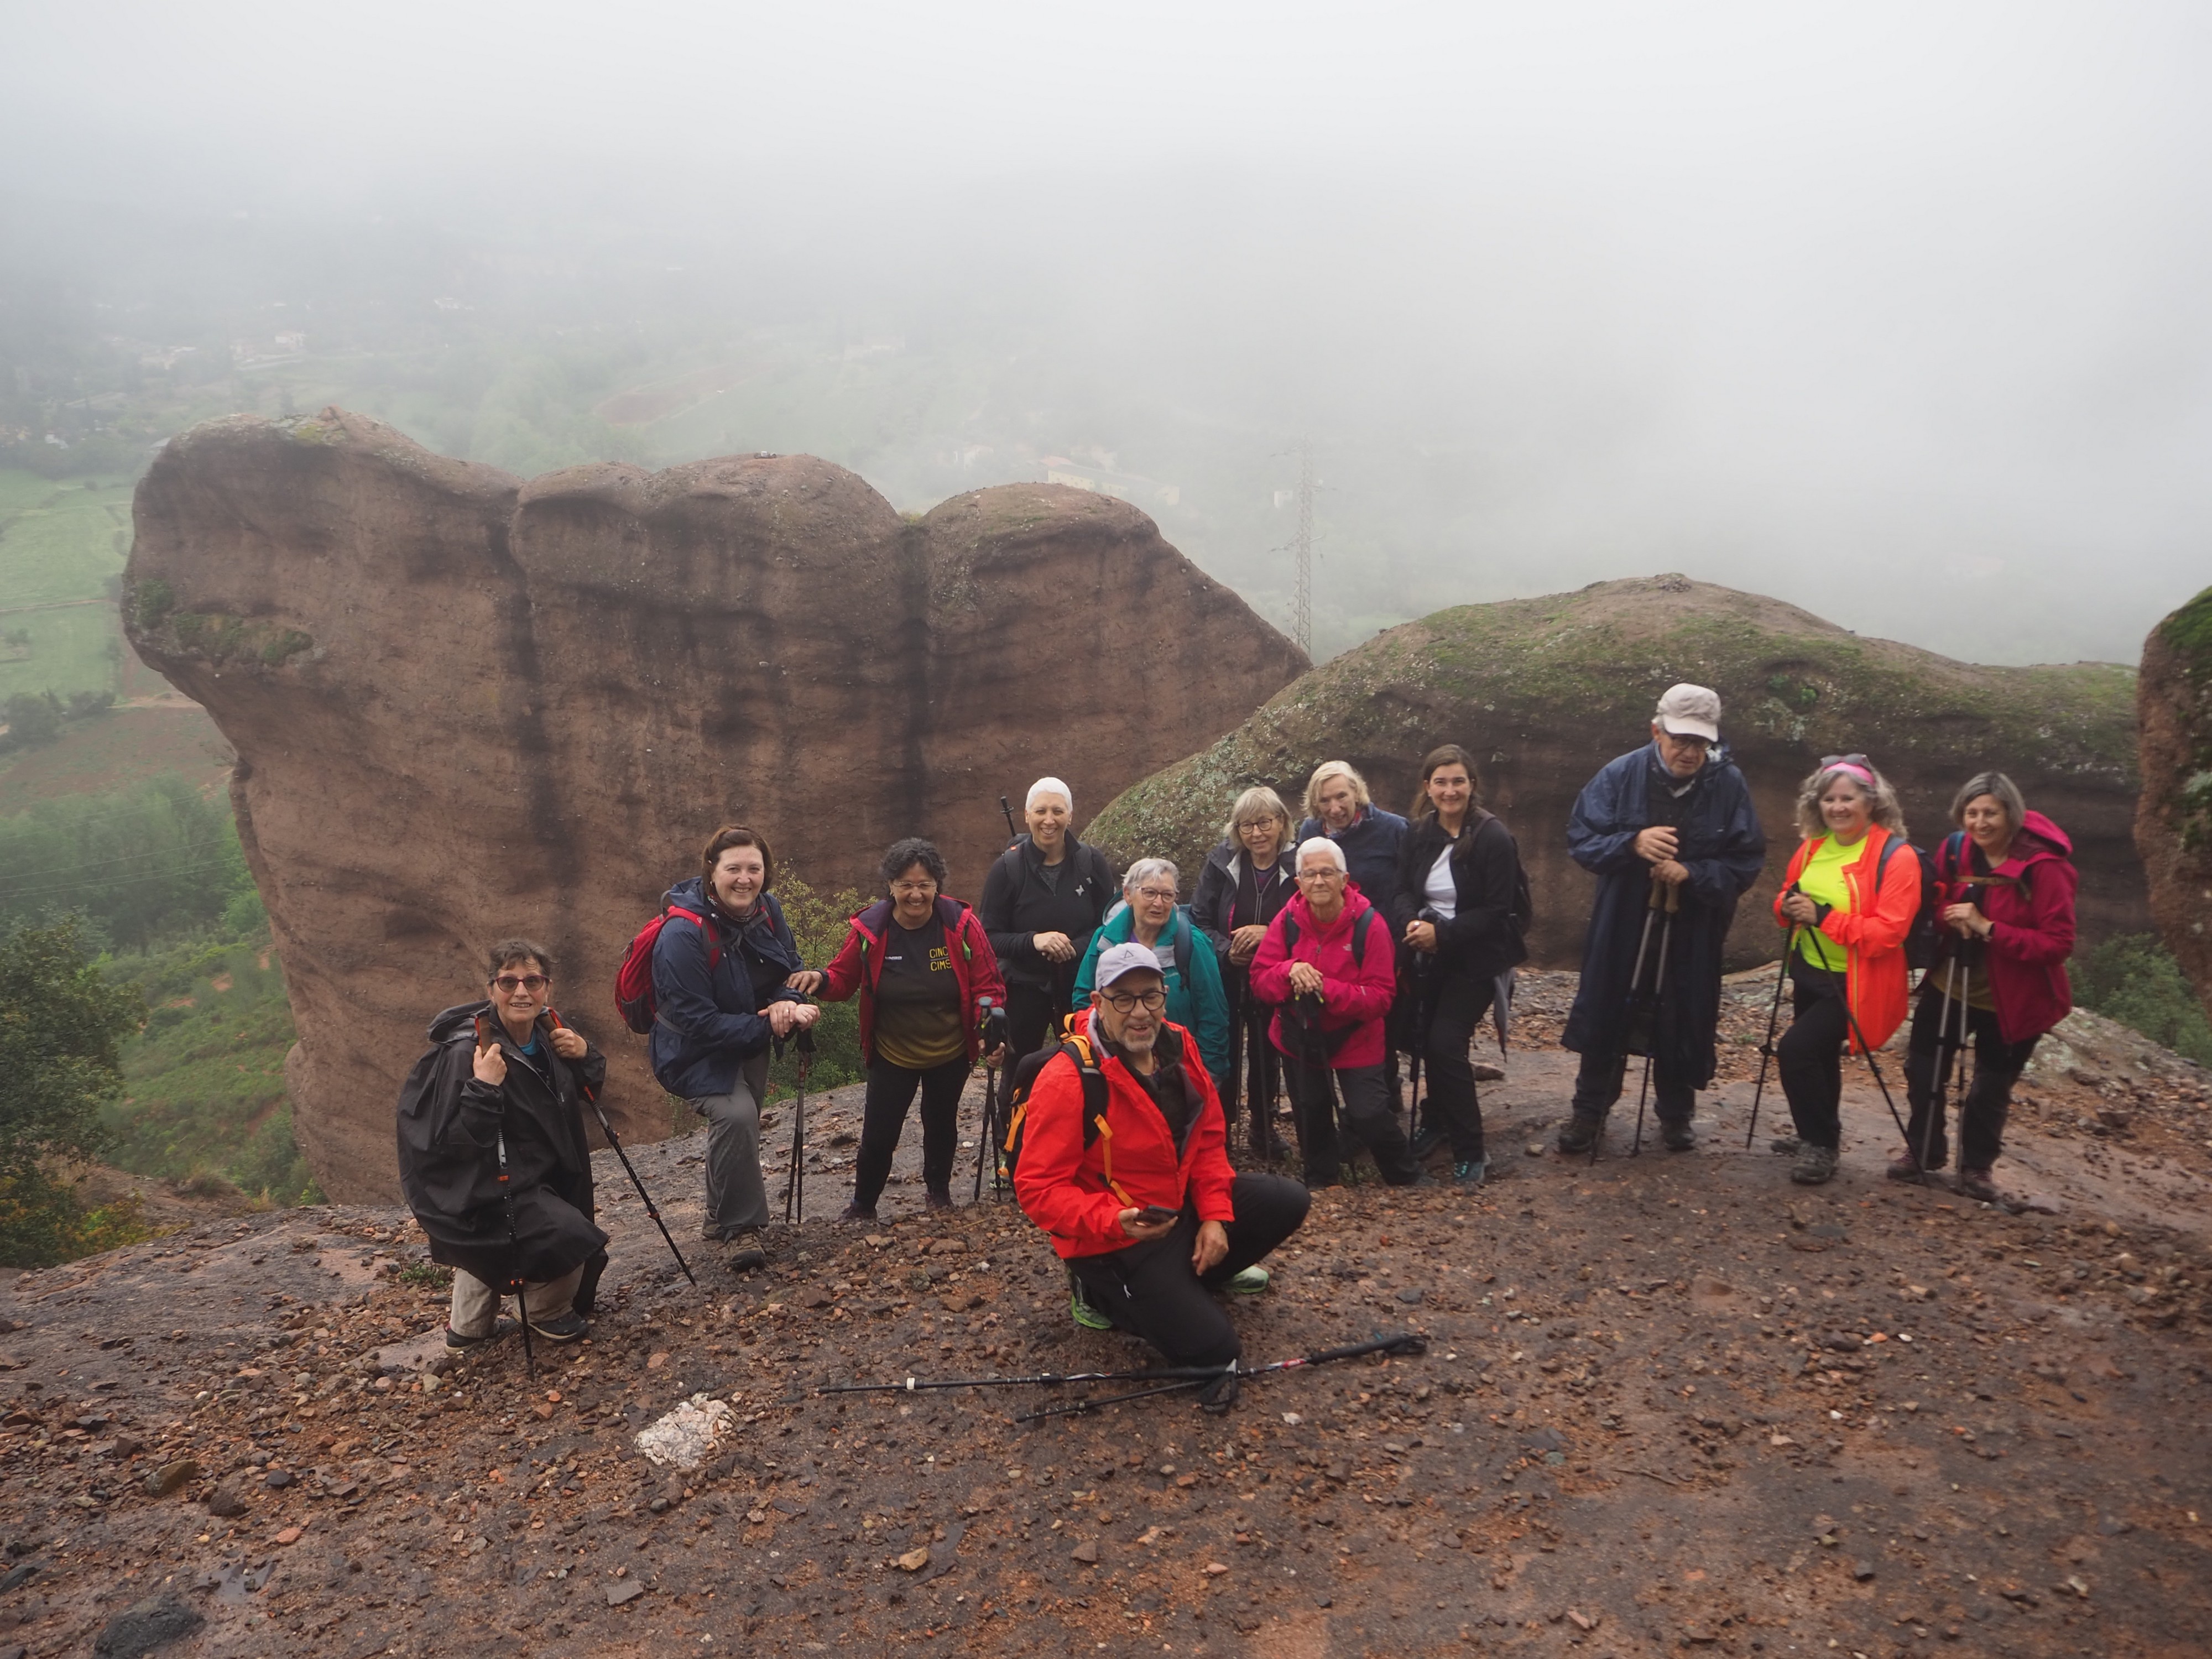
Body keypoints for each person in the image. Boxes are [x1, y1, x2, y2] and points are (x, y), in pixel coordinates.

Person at [1013, 941, 1311, 1410]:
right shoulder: (1069, 1079)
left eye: (1151, 996)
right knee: (1217, 1355)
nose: (1140, 1012)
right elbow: (1038, 1189)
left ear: (1165, 997)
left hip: (1175, 1209)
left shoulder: (1178, 1044)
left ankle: (1191, 1280)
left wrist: (1214, 1217)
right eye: (1124, 999)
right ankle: (1101, 1295)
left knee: (1288, 1200)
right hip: (1116, 1239)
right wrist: (1113, 1220)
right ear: (1098, 1003)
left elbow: (1207, 1137)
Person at [1558, 684, 1766, 1154]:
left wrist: (1694, 873)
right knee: (1609, 1007)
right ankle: (1589, 1112)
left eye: (1700, 742)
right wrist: (1632, 843)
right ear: (1657, 731)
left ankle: (1676, 1114)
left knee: (1684, 1012)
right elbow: (1582, 839)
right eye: (1680, 740)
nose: (1690, 752)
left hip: (1693, 923)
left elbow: (1746, 859)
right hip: (1622, 919)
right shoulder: (1620, 774)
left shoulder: (1728, 784)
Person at [398, 940, 607, 1347]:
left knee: (546, 1234)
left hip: (543, 1170)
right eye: (509, 982)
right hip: (483, 1184)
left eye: (533, 981)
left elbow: (585, 1088)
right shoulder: (467, 1051)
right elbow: (451, 1140)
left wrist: (585, 1054)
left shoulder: (550, 1034)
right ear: (491, 989)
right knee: (566, 1233)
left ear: (547, 987)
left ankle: (469, 1328)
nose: (521, 992)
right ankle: (541, 1311)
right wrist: (483, 1087)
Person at [799, 837, 1006, 1222]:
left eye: (925, 884)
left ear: (937, 885)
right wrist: (819, 979)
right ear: (890, 885)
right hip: (892, 1052)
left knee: (941, 1123)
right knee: (880, 1133)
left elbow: (988, 984)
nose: (916, 894)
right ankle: (863, 1205)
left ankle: (939, 1194)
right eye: (906, 884)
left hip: (950, 1051)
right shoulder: (872, 930)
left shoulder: (960, 926)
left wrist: (989, 1029)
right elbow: (842, 979)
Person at [1895, 773, 2077, 1202]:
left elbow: (2058, 943)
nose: (1980, 823)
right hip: (1951, 982)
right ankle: (1924, 1149)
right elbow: (1937, 903)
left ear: (2011, 813)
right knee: (1923, 1070)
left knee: (1990, 1087)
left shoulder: (2044, 867)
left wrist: (1989, 928)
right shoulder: (1956, 849)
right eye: (1971, 813)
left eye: (1990, 813)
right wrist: (1950, 917)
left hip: (2014, 998)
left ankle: (1976, 1167)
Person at [648, 826, 820, 1272]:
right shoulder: (682, 934)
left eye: (754, 869)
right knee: (737, 1116)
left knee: (740, 1128)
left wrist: (788, 1002)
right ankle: (739, 1228)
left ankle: (715, 1216)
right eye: (733, 869)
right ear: (712, 871)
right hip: (692, 1050)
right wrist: (769, 1023)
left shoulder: (768, 909)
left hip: (750, 1036)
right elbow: (695, 1021)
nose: (745, 879)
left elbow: (791, 968)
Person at [1769, 755, 1921, 1185]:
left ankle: (1820, 1145)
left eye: (1847, 798)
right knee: (1818, 1057)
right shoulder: (1813, 847)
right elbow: (1787, 893)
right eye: (1829, 799)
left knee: (1795, 1051)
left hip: (1857, 982)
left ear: (1871, 802)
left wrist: (1824, 917)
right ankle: (1819, 1134)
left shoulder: (1898, 857)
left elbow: (1889, 933)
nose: (1837, 807)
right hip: (1810, 968)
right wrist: (1785, 907)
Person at [1390, 745, 1529, 1187]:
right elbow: (1401, 890)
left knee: (1445, 1043)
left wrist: (1443, 935)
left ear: (1472, 785)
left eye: (1458, 782)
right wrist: (1412, 923)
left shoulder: (1493, 838)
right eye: (1441, 782)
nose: (1449, 791)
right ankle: (1437, 1119)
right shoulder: (1419, 833)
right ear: (1427, 787)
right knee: (1422, 1038)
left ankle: (1471, 1150)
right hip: (1428, 954)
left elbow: (1498, 910)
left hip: (1478, 960)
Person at [1250, 837, 1424, 1187]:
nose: (1318, 881)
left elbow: (1381, 998)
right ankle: (1321, 1179)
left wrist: (1323, 988)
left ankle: (1405, 1175)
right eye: (1310, 874)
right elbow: (1260, 981)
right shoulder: (1287, 921)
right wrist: (1289, 971)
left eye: (1327, 873)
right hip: (1298, 1035)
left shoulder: (1370, 925)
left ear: (1344, 879)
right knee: (1310, 1107)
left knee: (1369, 1114)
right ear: (1298, 882)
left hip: (1356, 1037)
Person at [979, 776, 1119, 1071]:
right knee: (1019, 1072)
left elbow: (1108, 926)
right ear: (1027, 815)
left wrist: (1074, 948)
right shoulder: (1007, 869)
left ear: (1071, 815)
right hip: (1023, 990)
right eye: (1041, 811)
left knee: (1087, 1069)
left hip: (1080, 987)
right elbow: (989, 937)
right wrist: (1034, 941)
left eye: (1058, 811)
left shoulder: (1092, 863)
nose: (1049, 820)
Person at [1296, 760, 1412, 1113]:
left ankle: (1382, 1105)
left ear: (1356, 792)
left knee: (1379, 1028)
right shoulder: (1310, 831)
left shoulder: (1394, 829)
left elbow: (1409, 887)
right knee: (1332, 1022)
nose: (1335, 808)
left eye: (1341, 797)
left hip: (1381, 944)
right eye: (1325, 801)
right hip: (1328, 945)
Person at [1193, 786, 1298, 1155]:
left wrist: (1269, 934)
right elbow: (1200, 919)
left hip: (1276, 973)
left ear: (1281, 822)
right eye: (1247, 825)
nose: (1257, 833)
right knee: (1223, 1048)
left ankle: (1263, 1125)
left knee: (1268, 1050)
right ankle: (1219, 1129)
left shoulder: (1298, 864)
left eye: (1265, 823)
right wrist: (1226, 952)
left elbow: (1307, 922)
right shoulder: (1221, 862)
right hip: (1227, 973)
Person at [1073, 858, 1232, 1091]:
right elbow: (1083, 999)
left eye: (1168, 895)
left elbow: (1213, 1014)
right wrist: (1099, 1049)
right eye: (1149, 893)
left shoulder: (1192, 944)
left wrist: (1208, 1077)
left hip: (1179, 1070)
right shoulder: (1104, 940)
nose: (1159, 903)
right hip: (1115, 1067)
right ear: (1128, 895)